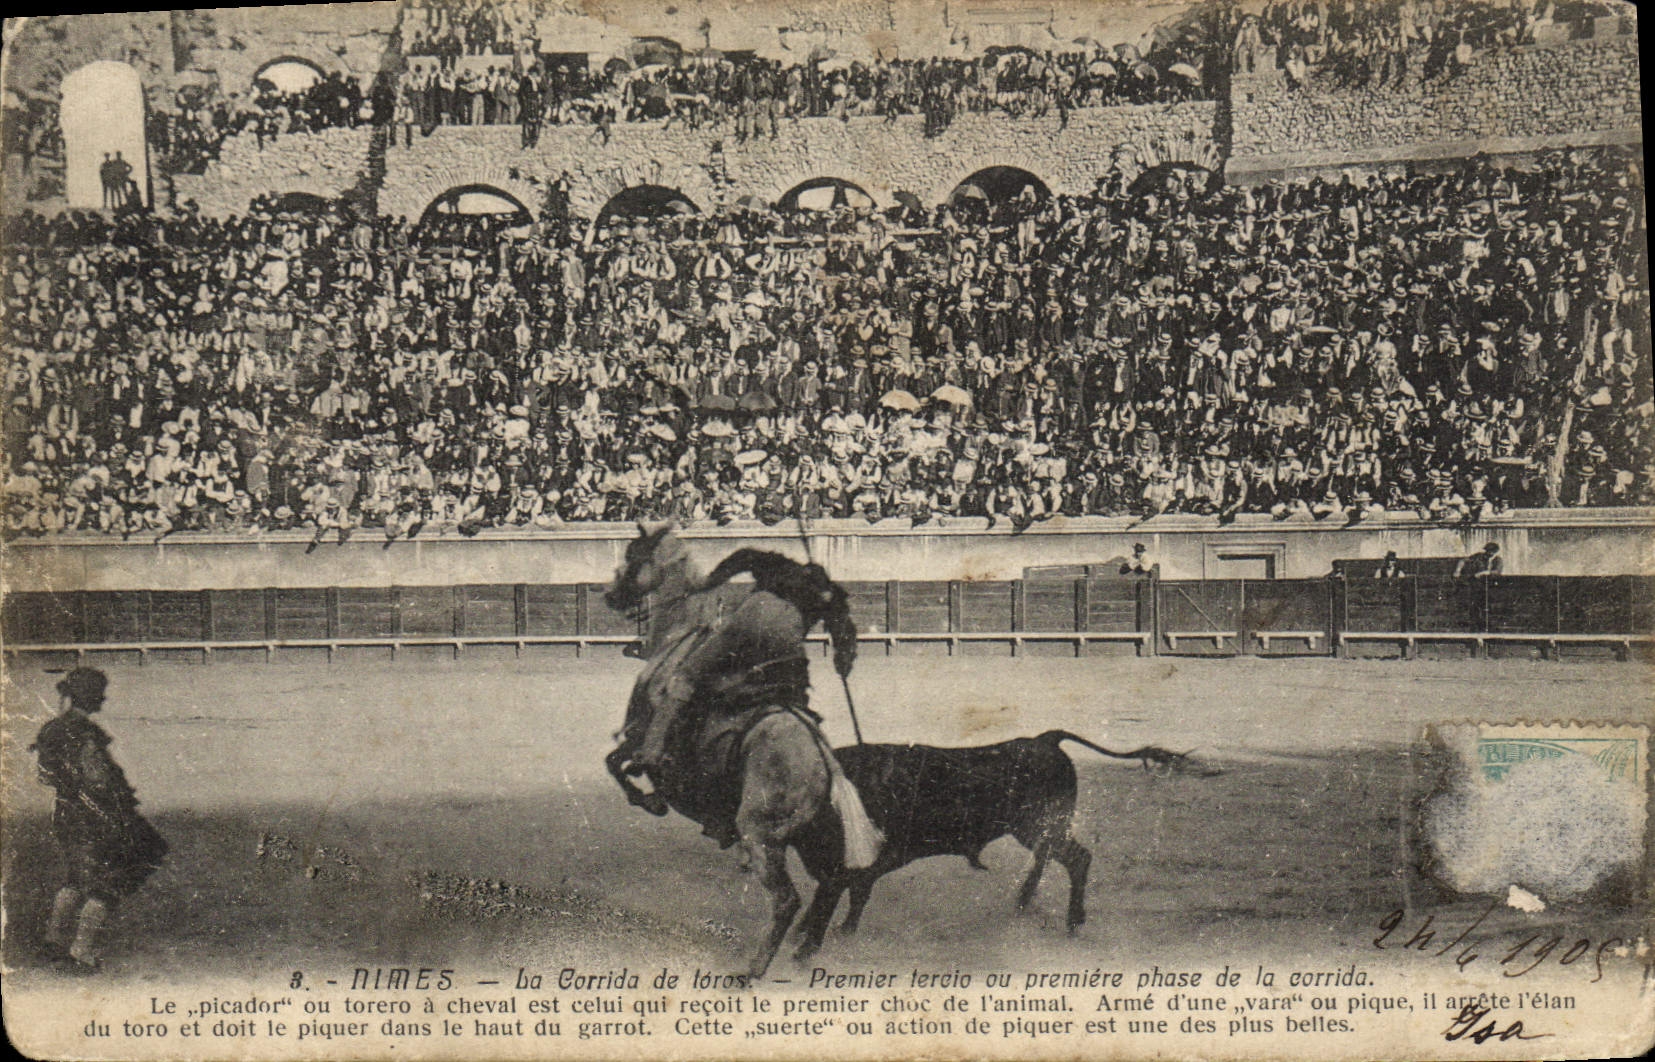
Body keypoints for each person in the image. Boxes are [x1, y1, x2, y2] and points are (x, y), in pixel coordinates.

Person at [632, 548, 857, 778]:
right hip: (788, 642)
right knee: (792, 692)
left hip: (751, 618)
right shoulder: (831, 594)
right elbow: (845, 632)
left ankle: (651, 750)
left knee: (686, 675)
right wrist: (844, 662)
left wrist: (708, 583)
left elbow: (743, 557)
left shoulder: (780, 565)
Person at [29, 668, 167, 973]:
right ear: (89, 697)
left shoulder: (51, 729)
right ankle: (82, 952)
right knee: (114, 877)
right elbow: (100, 782)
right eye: (99, 693)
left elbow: (44, 776)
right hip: (95, 818)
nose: (103, 699)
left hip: (65, 814)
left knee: (77, 876)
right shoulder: (87, 736)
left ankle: (53, 941)